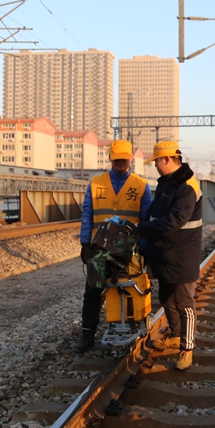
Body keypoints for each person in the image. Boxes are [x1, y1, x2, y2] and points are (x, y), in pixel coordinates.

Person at [74, 140, 152, 352]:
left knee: (129, 287)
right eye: (117, 159)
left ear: (130, 159)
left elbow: (146, 219)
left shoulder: (141, 185)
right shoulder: (95, 183)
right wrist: (84, 243)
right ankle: (87, 333)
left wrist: (145, 248)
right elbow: (87, 214)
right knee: (93, 290)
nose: (120, 163)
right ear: (110, 158)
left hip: (130, 251)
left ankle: (131, 326)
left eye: (124, 159)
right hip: (99, 248)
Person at [138, 141, 203, 371]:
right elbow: (154, 213)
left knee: (185, 303)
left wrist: (143, 228)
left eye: (156, 161)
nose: (155, 165)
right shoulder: (166, 183)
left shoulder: (186, 186)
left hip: (182, 253)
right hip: (165, 251)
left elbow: (176, 219)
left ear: (166, 159)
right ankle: (175, 335)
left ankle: (187, 349)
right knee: (166, 298)